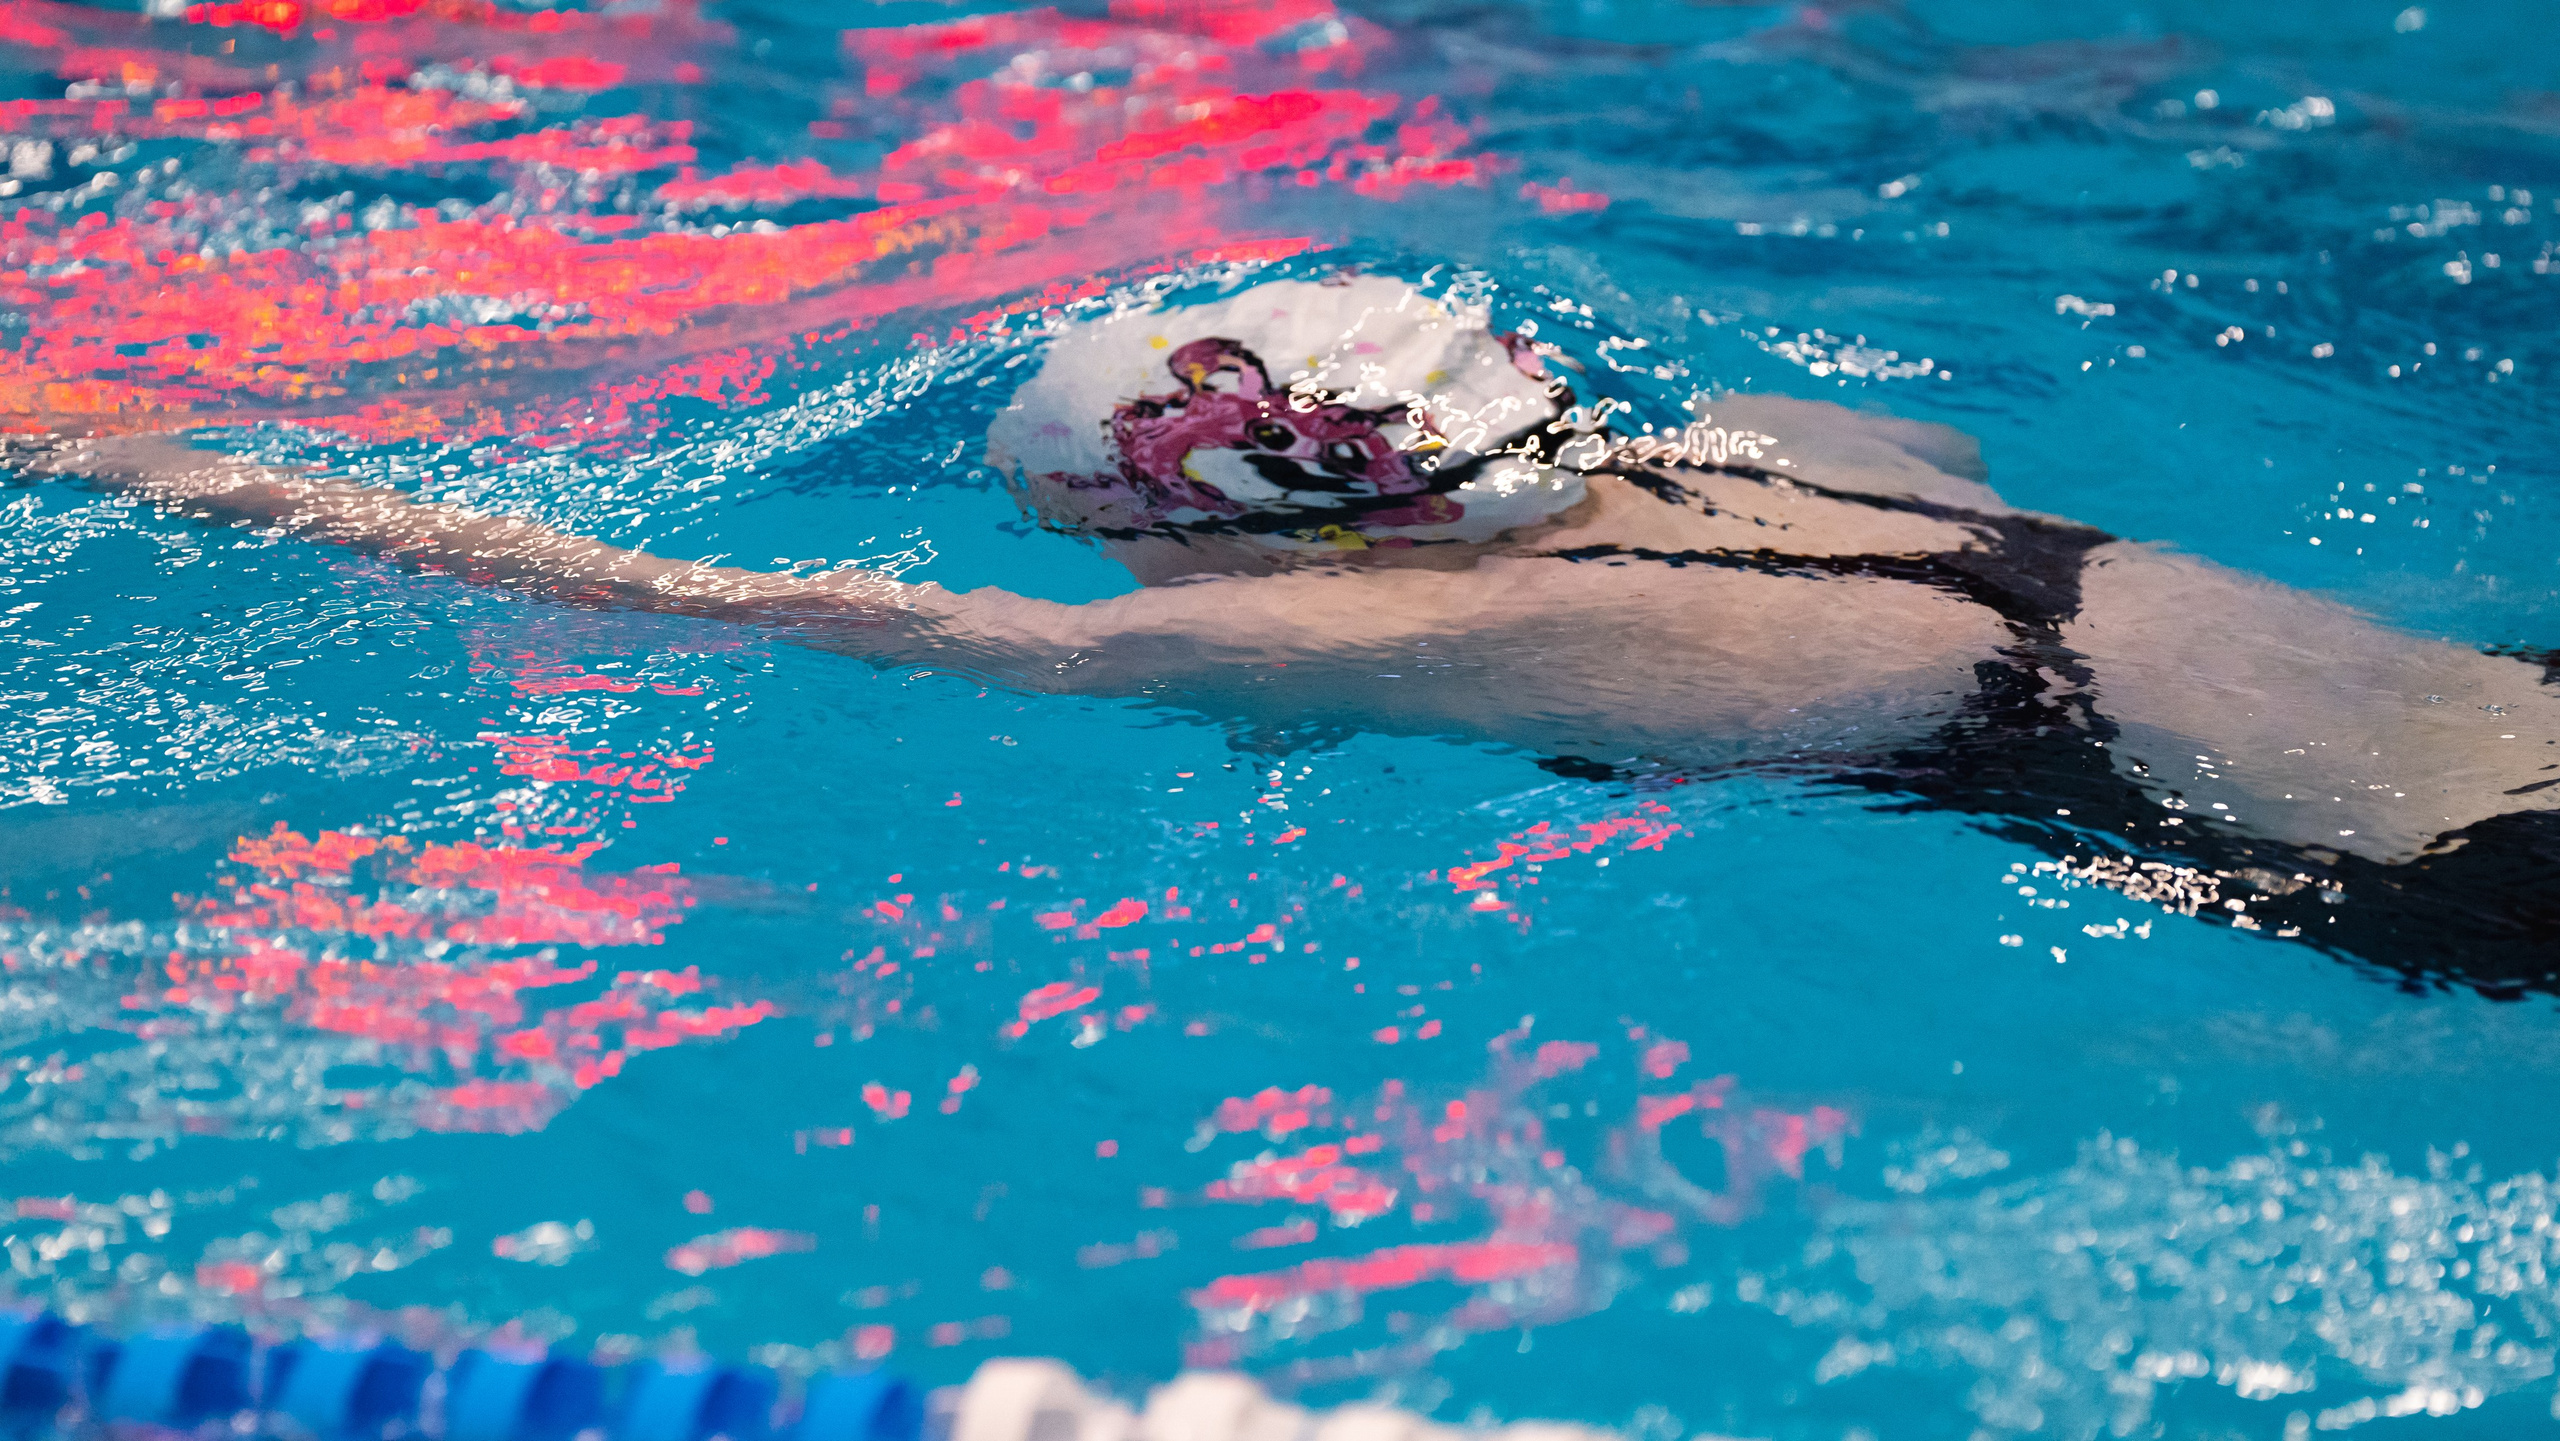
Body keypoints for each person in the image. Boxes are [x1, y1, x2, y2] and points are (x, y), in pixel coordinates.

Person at [25, 274, 2560, 985]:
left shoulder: (1348, 646)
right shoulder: (1819, 465)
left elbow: (692, 597)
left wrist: (173, 466)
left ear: (1248, 538)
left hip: (2486, 875)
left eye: (1129, 547)